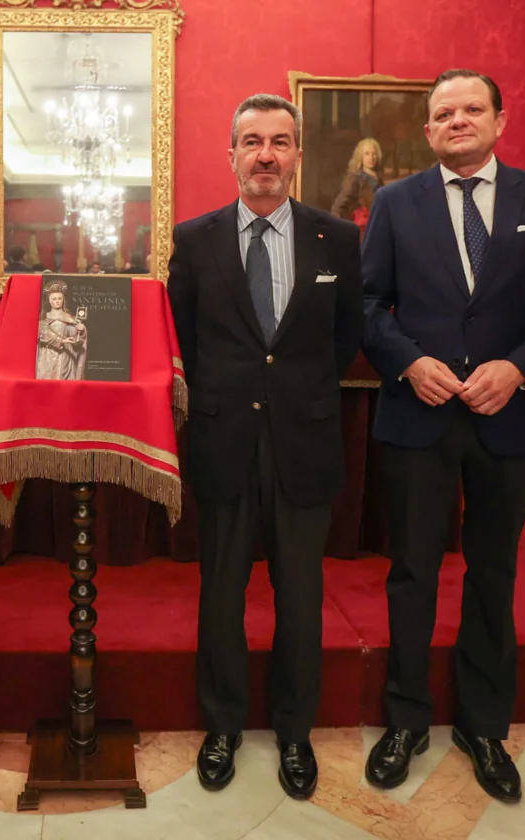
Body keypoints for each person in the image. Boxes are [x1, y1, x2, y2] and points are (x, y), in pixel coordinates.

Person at [361, 69, 525, 803]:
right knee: (412, 571)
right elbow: (370, 307)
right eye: (443, 114)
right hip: (420, 414)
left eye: (472, 109)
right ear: (428, 131)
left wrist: (520, 368)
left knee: (494, 572)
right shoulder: (395, 203)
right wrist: (408, 362)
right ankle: (405, 719)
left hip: (511, 418)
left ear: (500, 119)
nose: (457, 121)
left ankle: (483, 724)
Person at [167, 93, 362, 800]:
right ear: (231, 155)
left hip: (303, 442)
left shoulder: (336, 238)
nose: (266, 156)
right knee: (220, 596)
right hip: (223, 440)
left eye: (280, 142)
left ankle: (293, 731)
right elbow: (182, 338)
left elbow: (346, 337)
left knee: (302, 598)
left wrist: (298, 395)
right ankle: (220, 726)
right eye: (252, 142)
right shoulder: (195, 240)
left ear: (298, 155)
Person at [35, 278, 87, 380]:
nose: (57, 301)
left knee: (64, 383)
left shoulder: (69, 317)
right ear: (49, 301)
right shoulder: (46, 317)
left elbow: (75, 338)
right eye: (54, 299)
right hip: (48, 356)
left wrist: (80, 330)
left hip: (65, 356)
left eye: (60, 298)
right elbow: (43, 333)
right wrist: (61, 340)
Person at [330, 137, 383, 232]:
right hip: (361, 233)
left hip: (376, 230)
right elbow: (337, 209)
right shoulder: (355, 179)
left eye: (374, 154)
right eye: (366, 154)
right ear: (360, 156)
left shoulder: (378, 180)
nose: (371, 158)